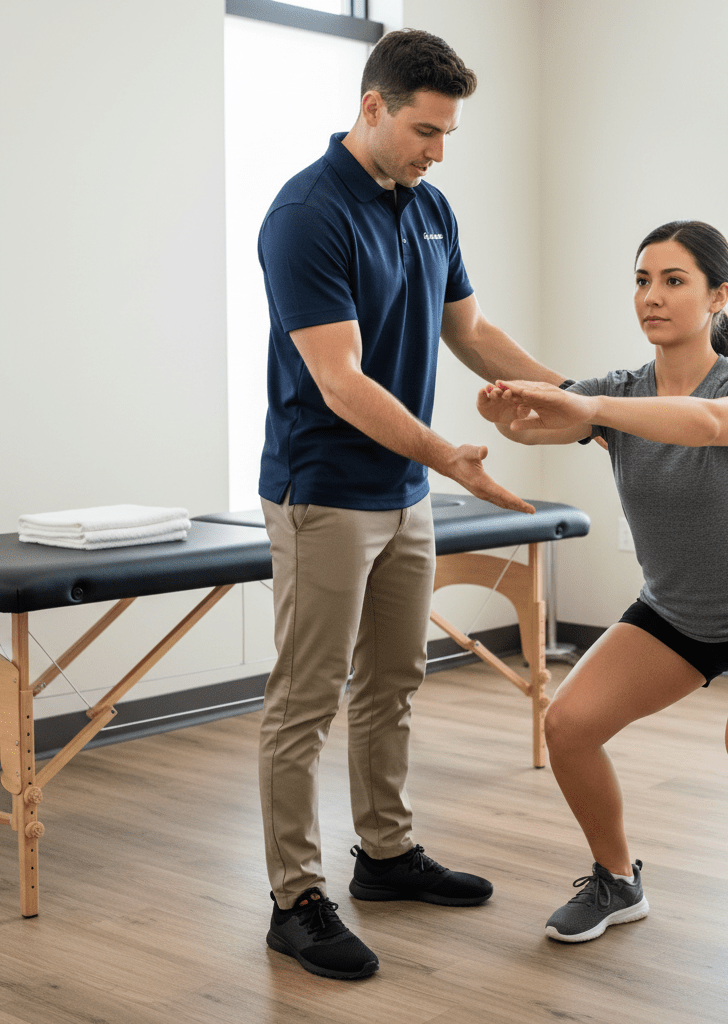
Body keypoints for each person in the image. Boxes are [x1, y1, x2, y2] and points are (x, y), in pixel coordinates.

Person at [256, 29, 571, 981]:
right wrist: (450, 457)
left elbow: (471, 332)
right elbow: (342, 382)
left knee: (395, 680)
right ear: (372, 107)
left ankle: (384, 856)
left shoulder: (429, 208)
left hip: (404, 491)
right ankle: (295, 897)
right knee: (306, 699)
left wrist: (583, 400)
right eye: (425, 130)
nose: (437, 150)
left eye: (448, 134)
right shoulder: (307, 215)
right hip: (326, 493)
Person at [478, 220, 728, 993]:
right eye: (643, 280)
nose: (653, 296)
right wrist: (514, 417)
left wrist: (590, 408)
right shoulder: (622, 392)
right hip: (674, 615)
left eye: (674, 280)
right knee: (567, 726)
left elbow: (705, 427)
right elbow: (547, 421)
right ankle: (616, 878)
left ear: (718, 295)